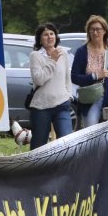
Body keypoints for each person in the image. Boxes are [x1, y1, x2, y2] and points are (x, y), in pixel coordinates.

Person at [70, 14, 108, 177]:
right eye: (92, 29)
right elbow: (74, 77)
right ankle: (92, 173)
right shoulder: (82, 52)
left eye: (98, 29)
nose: (95, 32)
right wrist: (95, 76)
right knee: (91, 136)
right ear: (88, 32)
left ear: (105, 31)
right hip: (90, 100)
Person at [27, 21, 75, 149]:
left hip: (62, 104)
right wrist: (52, 60)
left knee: (67, 142)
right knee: (39, 145)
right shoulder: (35, 56)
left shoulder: (63, 54)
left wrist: (68, 95)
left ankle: (64, 163)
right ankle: (38, 163)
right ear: (40, 39)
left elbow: (67, 78)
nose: (49, 37)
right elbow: (39, 79)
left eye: (52, 34)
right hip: (42, 106)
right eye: (45, 34)